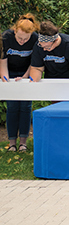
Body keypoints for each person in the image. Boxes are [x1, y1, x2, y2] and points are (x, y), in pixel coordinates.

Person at [0, 14, 39, 152]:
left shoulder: (35, 38)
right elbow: (3, 63)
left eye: (25, 39)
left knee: (25, 107)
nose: (22, 41)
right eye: (20, 38)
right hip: (9, 72)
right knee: (12, 107)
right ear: (15, 31)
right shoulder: (6, 37)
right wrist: (7, 81)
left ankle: (23, 142)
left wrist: (24, 77)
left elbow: (35, 62)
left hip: (27, 73)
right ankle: (12, 143)